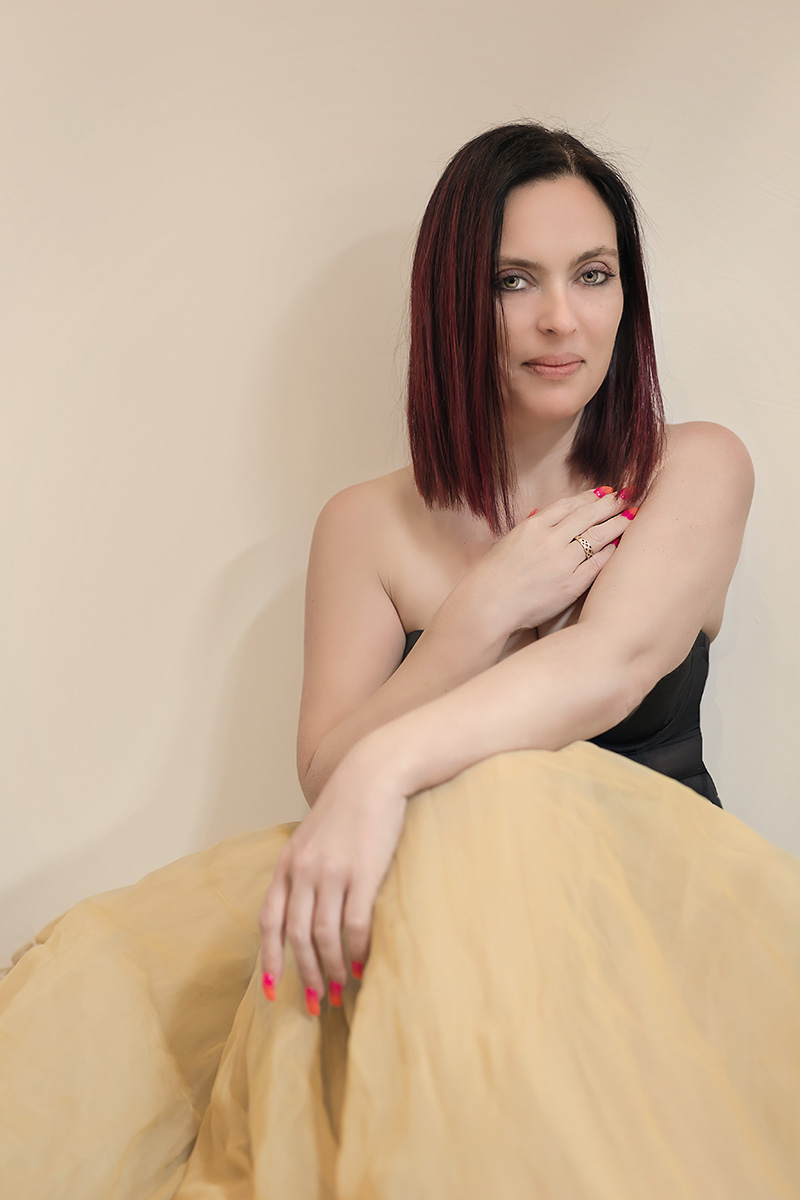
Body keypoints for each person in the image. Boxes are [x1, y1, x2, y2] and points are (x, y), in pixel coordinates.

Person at [2, 122, 800, 1200]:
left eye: (592, 274)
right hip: (418, 952)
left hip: (650, 950)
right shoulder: (365, 526)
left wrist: (387, 766)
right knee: (101, 990)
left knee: (501, 798)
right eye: (513, 280)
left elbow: (610, 665)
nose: (560, 318)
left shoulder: (691, 467)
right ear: (452, 302)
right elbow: (325, 775)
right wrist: (468, 624)